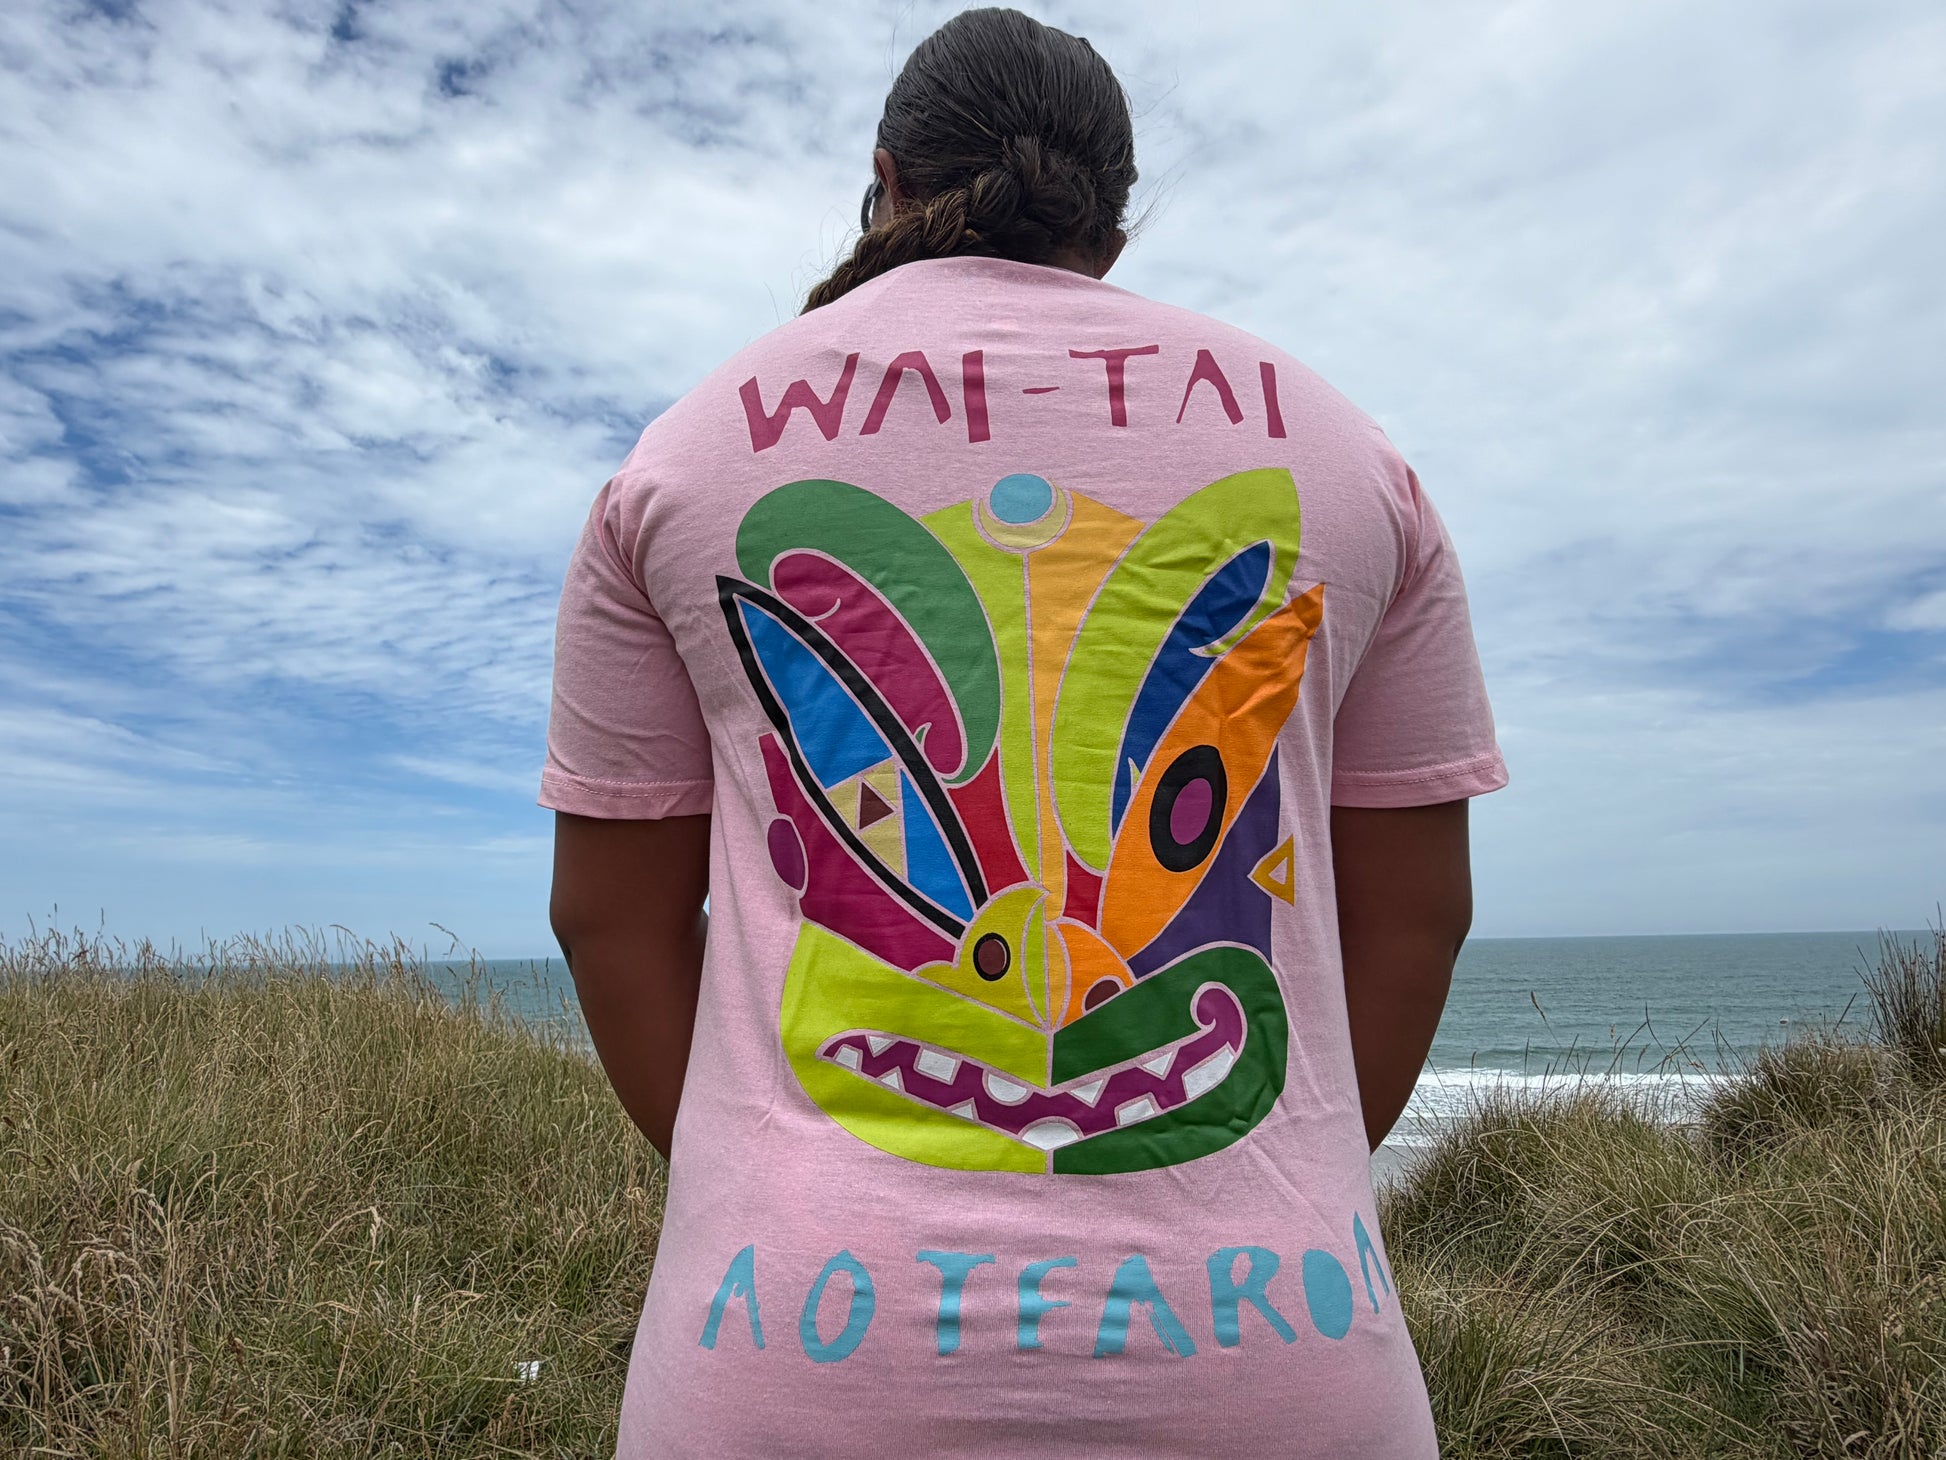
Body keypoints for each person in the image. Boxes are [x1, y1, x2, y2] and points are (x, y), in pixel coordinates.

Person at [543, 9, 1505, 1455]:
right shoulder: (1351, 460)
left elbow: (609, 927)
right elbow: (1416, 920)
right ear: (1109, 226)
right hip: (1282, 1364)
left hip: (782, 1363)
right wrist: (1281, 1178)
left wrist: (770, 1196)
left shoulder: (676, 460)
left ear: (883, 178)